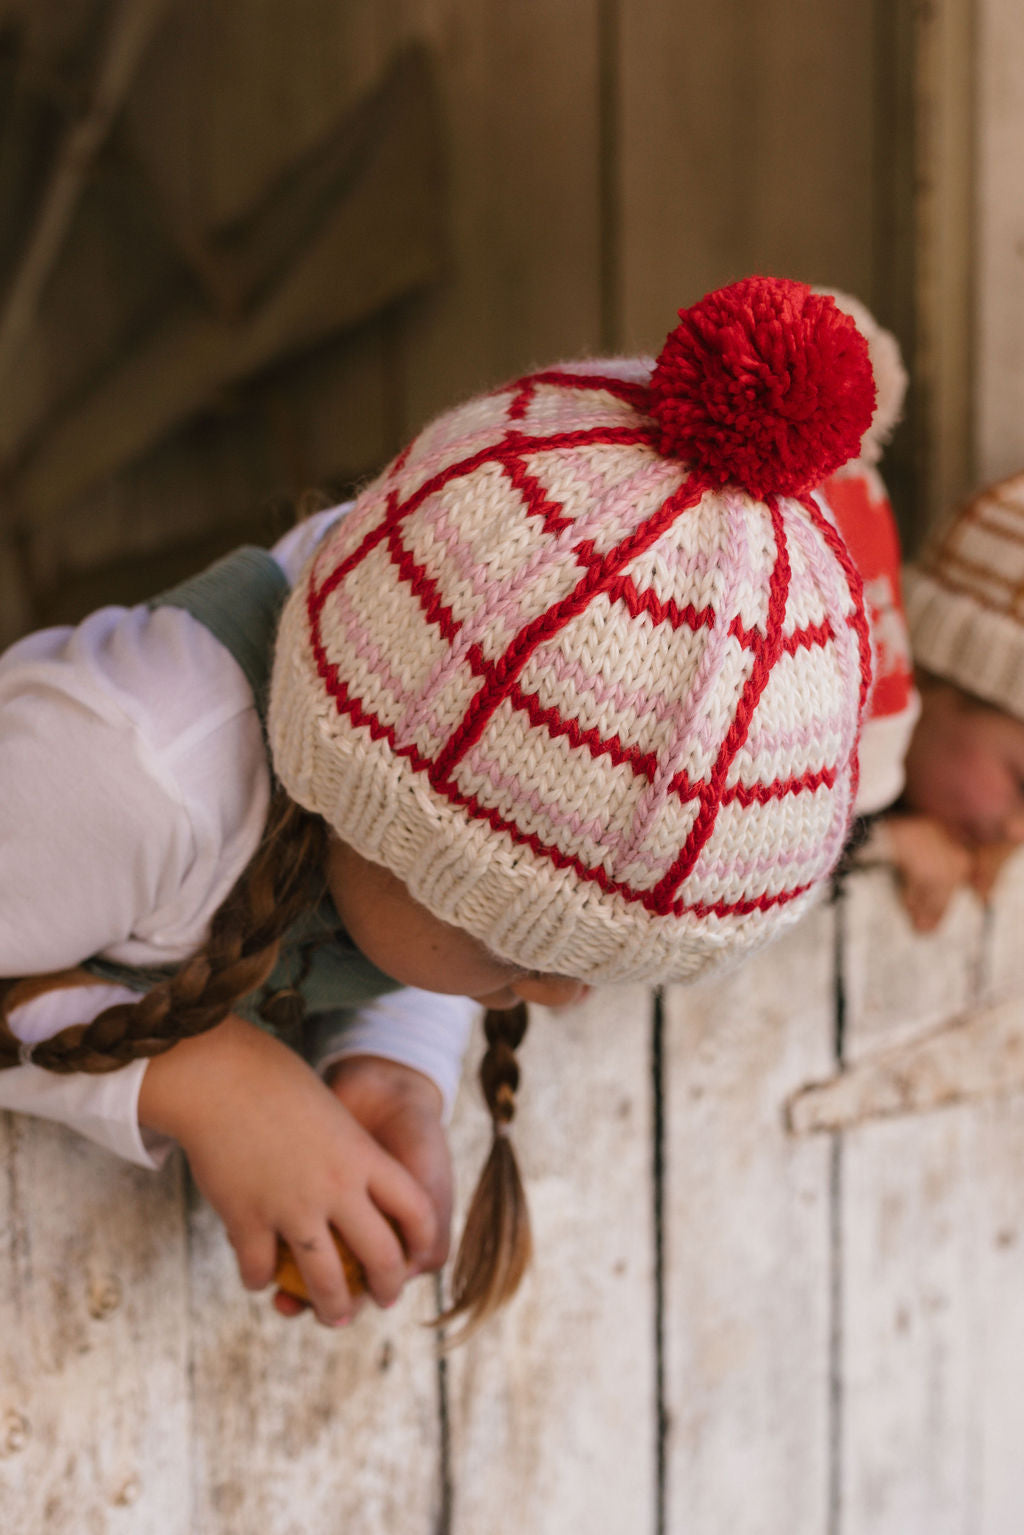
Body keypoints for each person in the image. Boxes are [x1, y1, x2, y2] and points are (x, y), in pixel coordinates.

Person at [0, 275, 881, 1337]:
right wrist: (204, 1078)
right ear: (379, 805)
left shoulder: (424, 746)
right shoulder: (134, 768)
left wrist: (395, 1060)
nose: (556, 1003)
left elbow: (428, 904)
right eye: (524, 957)